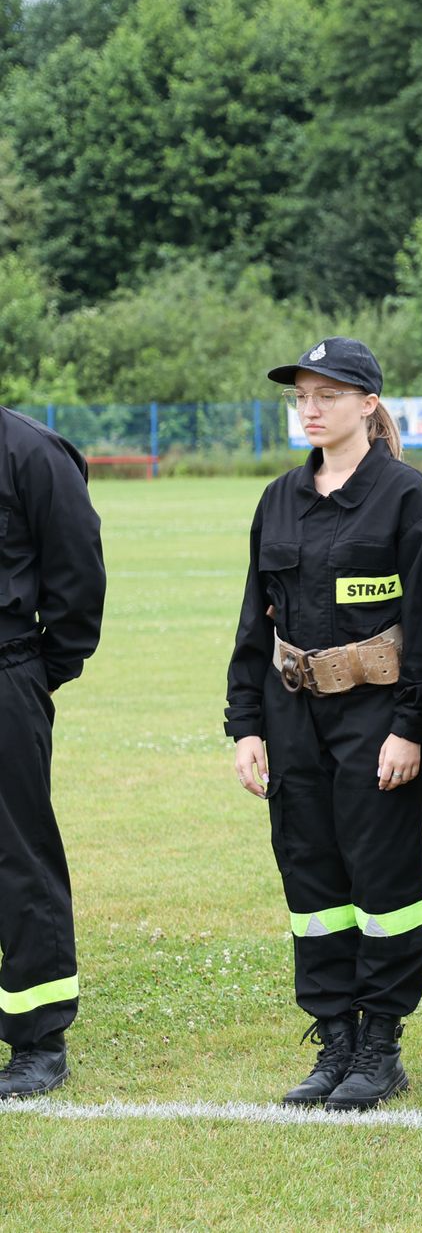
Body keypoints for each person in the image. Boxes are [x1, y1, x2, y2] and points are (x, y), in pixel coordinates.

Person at [224, 339, 422, 1110]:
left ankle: (380, 1044)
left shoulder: (409, 498)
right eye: (301, 396)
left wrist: (411, 725)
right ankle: (335, 1040)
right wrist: (245, 724)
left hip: (376, 716)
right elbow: (255, 622)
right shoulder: (279, 499)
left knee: (382, 878)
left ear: (368, 404)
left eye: (328, 393)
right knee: (312, 880)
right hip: (292, 716)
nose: (311, 408)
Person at [0, 403, 105, 1099]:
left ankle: (38, 1038)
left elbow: (77, 580)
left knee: (16, 854)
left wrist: (34, 674)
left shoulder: (31, 450)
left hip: (4, 673)